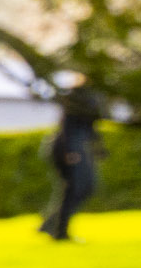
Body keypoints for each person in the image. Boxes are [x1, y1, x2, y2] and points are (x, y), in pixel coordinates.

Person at [41, 81, 108, 242]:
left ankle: (53, 226)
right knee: (78, 188)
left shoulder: (94, 95)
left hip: (74, 146)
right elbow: (67, 126)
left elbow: (91, 128)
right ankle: (58, 229)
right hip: (68, 147)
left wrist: (99, 148)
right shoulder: (77, 96)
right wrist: (69, 151)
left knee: (79, 188)